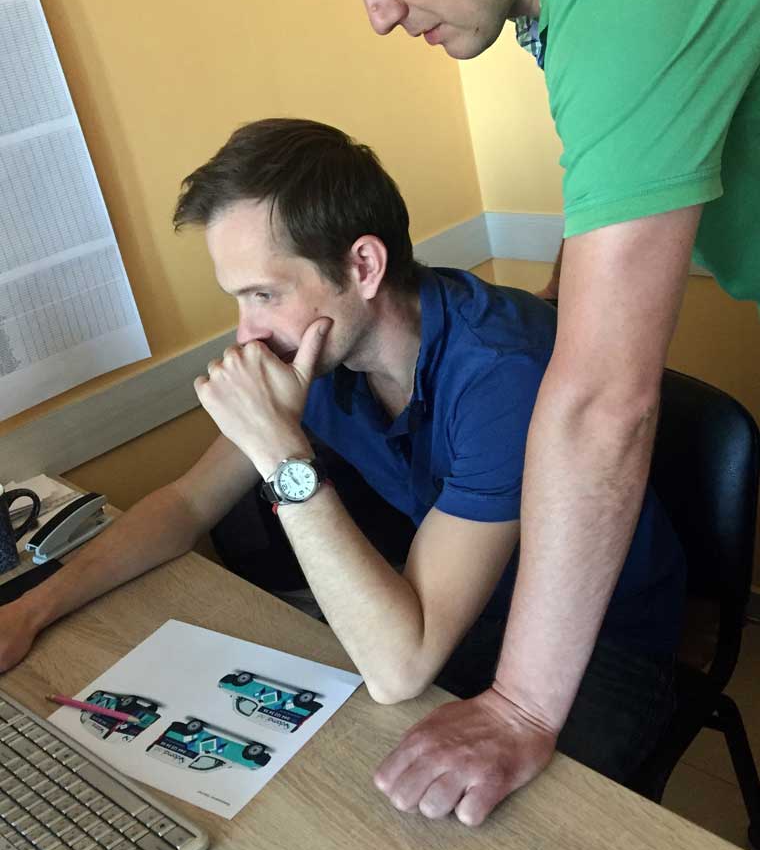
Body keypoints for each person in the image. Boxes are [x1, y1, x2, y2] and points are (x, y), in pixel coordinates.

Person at [0, 118, 685, 798]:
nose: (247, 333)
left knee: (462, 820)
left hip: (598, 645)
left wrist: (281, 453)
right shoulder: (326, 354)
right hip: (462, 610)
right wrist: (31, 610)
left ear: (363, 267)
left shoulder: (501, 375)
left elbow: (400, 668)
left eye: (264, 295)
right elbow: (186, 503)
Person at [275, 0, 760, 824]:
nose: (376, 12)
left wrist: (522, 707)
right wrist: (572, 298)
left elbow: (605, 405)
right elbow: (627, 161)